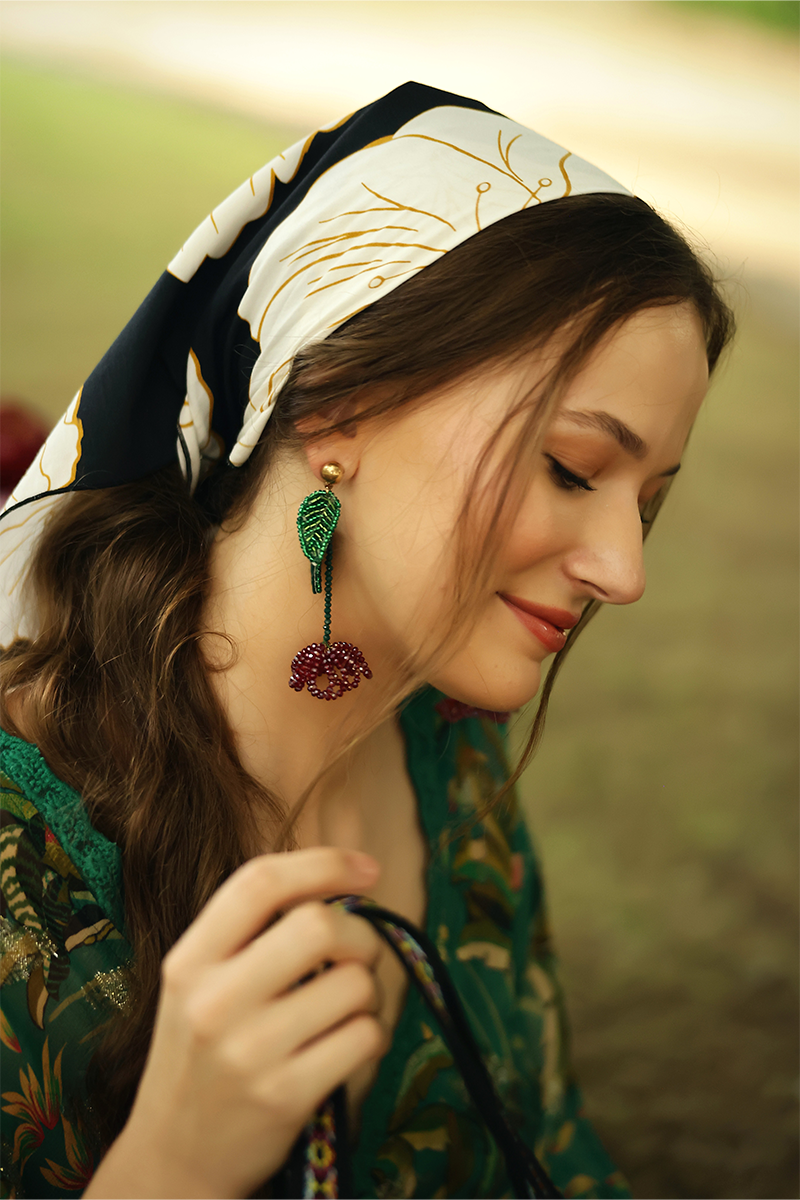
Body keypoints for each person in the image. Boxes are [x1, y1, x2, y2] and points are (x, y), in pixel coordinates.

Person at [0, 83, 733, 1200]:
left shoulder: (450, 753)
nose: (623, 572)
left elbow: (552, 1154)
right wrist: (170, 1171)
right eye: (572, 468)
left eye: (647, 501)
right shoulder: (23, 870)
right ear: (337, 404)